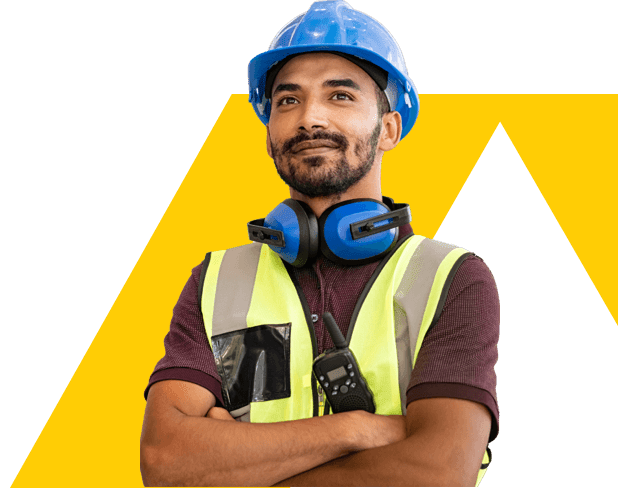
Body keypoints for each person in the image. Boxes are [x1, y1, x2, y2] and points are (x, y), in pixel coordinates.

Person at [140, 1, 499, 486]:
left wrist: (234, 468)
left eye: (340, 96)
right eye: (288, 100)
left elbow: (437, 471)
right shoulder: (216, 281)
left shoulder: (451, 278)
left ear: (388, 129)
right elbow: (164, 462)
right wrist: (355, 430)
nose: (310, 118)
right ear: (269, 136)